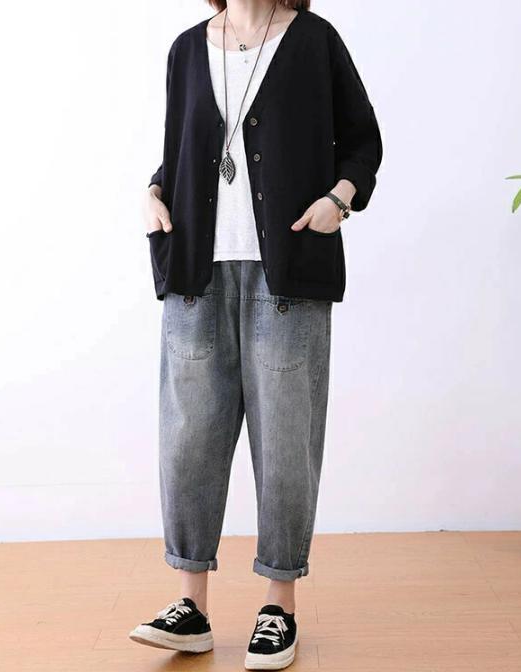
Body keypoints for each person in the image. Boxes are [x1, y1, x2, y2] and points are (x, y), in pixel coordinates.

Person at [129, 0, 382, 668]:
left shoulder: (315, 41)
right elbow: (181, 148)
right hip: (195, 272)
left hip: (287, 275)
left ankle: (279, 607)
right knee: (188, 440)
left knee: (286, 442)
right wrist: (153, 192)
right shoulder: (187, 48)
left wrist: (339, 200)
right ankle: (190, 607)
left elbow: (363, 141)